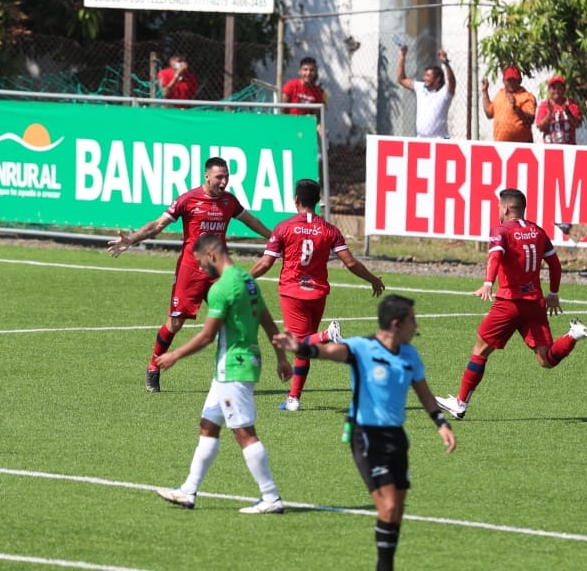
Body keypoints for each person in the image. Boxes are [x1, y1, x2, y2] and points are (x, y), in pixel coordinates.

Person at [273, 294, 456, 571]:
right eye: (412, 321)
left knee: (397, 512)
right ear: (396, 324)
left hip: (397, 439)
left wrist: (441, 424)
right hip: (366, 437)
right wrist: (300, 347)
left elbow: (425, 394)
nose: (416, 328)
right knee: (390, 507)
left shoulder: (410, 355)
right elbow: (328, 352)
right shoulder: (362, 348)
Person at [106, 156, 272, 393]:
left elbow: (251, 220)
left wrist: (274, 237)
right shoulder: (188, 199)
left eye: (227, 177)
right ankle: (154, 365)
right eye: (219, 177)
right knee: (176, 322)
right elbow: (157, 225)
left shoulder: (229, 201)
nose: (224, 182)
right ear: (207, 176)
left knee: (236, 313)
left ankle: (231, 372)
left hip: (219, 270)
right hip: (191, 269)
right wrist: (131, 240)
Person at [154, 234, 293, 514]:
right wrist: (281, 358)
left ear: (212, 256)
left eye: (200, 262)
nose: (201, 268)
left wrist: (174, 355)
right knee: (208, 425)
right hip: (238, 365)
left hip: (233, 367)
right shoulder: (247, 279)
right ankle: (188, 491)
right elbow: (267, 320)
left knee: (243, 432)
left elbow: (207, 336)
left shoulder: (221, 288)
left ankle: (271, 497)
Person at [435, 188, 587, 420]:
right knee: (545, 359)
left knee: (480, 350)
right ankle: (573, 335)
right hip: (534, 303)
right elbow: (555, 264)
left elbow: (495, 256)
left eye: (499, 208)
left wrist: (488, 283)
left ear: (506, 208)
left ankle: (460, 403)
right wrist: (553, 293)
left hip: (509, 303)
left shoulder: (501, 231)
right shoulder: (538, 231)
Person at [250, 178, 385, 411]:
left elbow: (265, 263)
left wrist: (244, 278)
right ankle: (293, 399)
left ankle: (327, 335)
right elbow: (351, 263)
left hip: (293, 293)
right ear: (319, 201)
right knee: (304, 346)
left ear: (296, 200)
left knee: (296, 344)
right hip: (317, 294)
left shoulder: (284, 227)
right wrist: (373, 279)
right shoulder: (330, 230)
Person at [397, 45, 456, 139]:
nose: (424, 78)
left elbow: (452, 82)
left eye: (428, 76)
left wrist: (445, 63)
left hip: (440, 140)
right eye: (425, 76)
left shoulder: (444, 93)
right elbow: (401, 79)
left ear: (437, 79)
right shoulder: (420, 88)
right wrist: (402, 55)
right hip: (421, 139)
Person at [481, 66, 536, 142]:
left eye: (514, 80)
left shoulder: (527, 96)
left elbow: (530, 119)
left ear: (520, 80)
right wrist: (485, 92)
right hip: (501, 145)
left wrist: (516, 108)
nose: (511, 83)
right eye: (508, 80)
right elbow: (489, 113)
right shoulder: (500, 94)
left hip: (522, 145)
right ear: (503, 80)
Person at [535, 75, 583, 144]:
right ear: (549, 90)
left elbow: (577, 124)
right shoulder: (545, 105)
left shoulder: (571, 103)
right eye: (554, 88)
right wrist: (549, 114)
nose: (556, 91)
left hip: (569, 147)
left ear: (564, 89)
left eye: (559, 88)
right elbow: (540, 127)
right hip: (549, 148)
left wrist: (568, 112)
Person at [281, 56, 327, 121]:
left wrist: (319, 128)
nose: (308, 73)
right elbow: (281, 110)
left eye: (312, 70)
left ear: (315, 72)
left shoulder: (318, 92)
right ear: (300, 71)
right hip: (289, 123)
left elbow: (316, 118)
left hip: (306, 126)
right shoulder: (291, 85)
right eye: (305, 69)